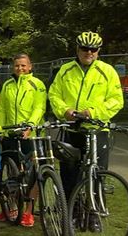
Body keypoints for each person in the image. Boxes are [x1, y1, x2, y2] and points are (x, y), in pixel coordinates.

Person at [48, 32, 124, 198]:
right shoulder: (65, 70)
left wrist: (93, 112)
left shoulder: (107, 71)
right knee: (69, 175)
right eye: (85, 48)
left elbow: (116, 100)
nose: (89, 52)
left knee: (98, 174)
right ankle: (70, 214)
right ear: (77, 49)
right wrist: (64, 111)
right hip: (71, 130)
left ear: (98, 51)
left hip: (97, 130)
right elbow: (54, 95)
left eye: (93, 49)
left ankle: (95, 215)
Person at [0, 53, 47, 227]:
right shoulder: (7, 85)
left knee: (33, 174)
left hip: (30, 134)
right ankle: (10, 208)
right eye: (17, 65)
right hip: (11, 134)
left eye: (23, 65)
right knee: (12, 174)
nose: (20, 69)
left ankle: (29, 212)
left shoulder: (37, 84)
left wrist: (30, 125)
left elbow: (39, 107)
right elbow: (1, 109)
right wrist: (0, 129)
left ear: (30, 66)